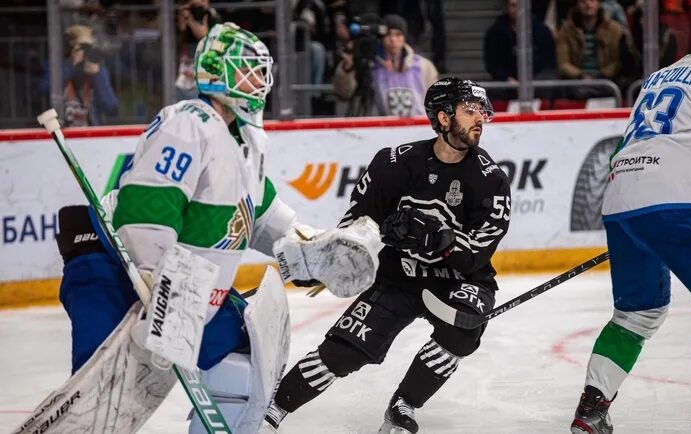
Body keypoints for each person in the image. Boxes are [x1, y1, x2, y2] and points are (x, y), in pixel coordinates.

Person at [51, 22, 381, 434]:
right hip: (116, 276)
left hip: (186, 292)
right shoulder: (188, 122)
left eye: (261, 71)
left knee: (242, 369)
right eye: (247, 69)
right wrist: (159, 281)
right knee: (102, 406)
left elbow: (259, 216)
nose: (259, 81)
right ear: (214, 71)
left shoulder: (245, 142)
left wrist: (310, 248)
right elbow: (149, 207)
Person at [259, 77, 512, 434]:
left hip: (459, 281)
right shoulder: (393, 164)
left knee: (463, 328)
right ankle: (273, 408)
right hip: (398, 278)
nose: (480, 119)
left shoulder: (491, 181)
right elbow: (354, 226)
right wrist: (332, 260)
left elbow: (477, 255)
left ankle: (403, 406)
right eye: (469, 111)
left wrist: (441, 240)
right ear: (442, 117)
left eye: (482, 112)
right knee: (344, 352)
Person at [569, 1, 691, 433]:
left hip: (621, 201)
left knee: (637, 314)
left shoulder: (660, 76)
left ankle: (591, 410)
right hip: (674, 202)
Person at [333, 14, 439, 117]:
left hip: (419, 129)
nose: (393, 39)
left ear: (404, 37)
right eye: (388, 34)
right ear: (381, 38)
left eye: (398, 34)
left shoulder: (423, 66)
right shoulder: (369, 65)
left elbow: (435, 103)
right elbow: (343, 93)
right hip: (379, 130)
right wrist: (347, 67)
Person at [41, 24, 118, 126]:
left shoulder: (97, 70)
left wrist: (97, 75)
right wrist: (71, 65)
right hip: (60, 131)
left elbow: (110, 105)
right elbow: (43, 90)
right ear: (71, 50)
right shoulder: (56, 67)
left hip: (90, 133)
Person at [555, 0, 632, 96]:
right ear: (577, 4)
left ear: (599, 3)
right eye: (583, 1)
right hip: (575, 81)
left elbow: (616, 62)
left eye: (592, 1)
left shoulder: (614, 29)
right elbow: (563, 63)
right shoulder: (565, 30)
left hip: (607, 80)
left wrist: (600, 76)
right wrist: (581, 76)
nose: (588, 5)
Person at [175, 0, 220, 101]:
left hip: (207, 60)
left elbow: (212, 41)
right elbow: (178, 39)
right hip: (187, 59)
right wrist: (184, 19)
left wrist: (193, 23)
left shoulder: (212, 15)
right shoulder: (186, 15)